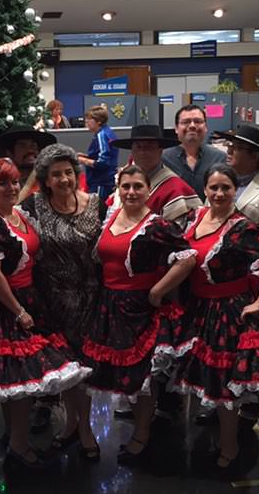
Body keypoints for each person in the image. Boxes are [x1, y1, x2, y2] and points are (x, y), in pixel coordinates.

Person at [166, 165, 259, 479]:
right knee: (200, 382)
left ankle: (230, 448)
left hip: (227, 313)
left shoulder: (243, 228)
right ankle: (204, 443)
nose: (219, 193)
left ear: (234, 190)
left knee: (225, 386)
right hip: (197, 308)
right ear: (205, 190)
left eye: (225, 187)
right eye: (213, 187)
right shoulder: (196, 218)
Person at [0, 159, 91, 471]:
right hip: (8, 305)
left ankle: (16, 440)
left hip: (34, 300)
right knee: (21, 381)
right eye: (2, 183)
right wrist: (18, 310)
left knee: (21, 381)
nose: (11, 188)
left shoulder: (21, 215)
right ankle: (19, 445)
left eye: (14, 182)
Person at [83, 165, 196, 466]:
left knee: (142, 376)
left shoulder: (157, 225)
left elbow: (187, 258)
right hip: (110, 304)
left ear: (148, 190)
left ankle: (142, 435)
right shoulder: (111, 217)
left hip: (140, 308)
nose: (131, 192)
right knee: (125, 376)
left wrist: (158, 290)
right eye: (126, 186)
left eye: (137, 186)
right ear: (118, 189)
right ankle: (140, 429)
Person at [22, 144, 105, 462]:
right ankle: (72, 424)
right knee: (68, 368)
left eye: (68, 172)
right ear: (45, 179)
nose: (64, 179)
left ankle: (85, 429)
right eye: (56, 174)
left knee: (86, 368)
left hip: (90, 299)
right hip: (51, 301)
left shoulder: (96, 204)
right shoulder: (33, 206)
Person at [108, 124, 200, 221]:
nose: (143, 152)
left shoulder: (175, 188)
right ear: (132, 151)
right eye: (138, 147)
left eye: (149, 147)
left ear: (160, 151)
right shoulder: (125, 181)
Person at [161, 104, 227, 202]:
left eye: (198, 121)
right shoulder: (163, 159)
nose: (192, 125)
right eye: (186, 122)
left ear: (206, 127)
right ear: (176, 128)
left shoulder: (220, 158)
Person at [0, 125, 57, 190]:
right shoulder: (1, 188)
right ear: (9, 153)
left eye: (33, 146)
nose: (30, 150)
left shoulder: (49, 184)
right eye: (22, 146)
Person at [77, 105, 118, 201]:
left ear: (99, 121)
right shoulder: (107, 132)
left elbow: (102, 163)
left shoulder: (102, 135)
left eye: (89, 119)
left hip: (101, 183)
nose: (86, 122)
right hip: (105, 181)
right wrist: (86, 156)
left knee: (97, 208)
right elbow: (102, 155)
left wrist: (81, 160)